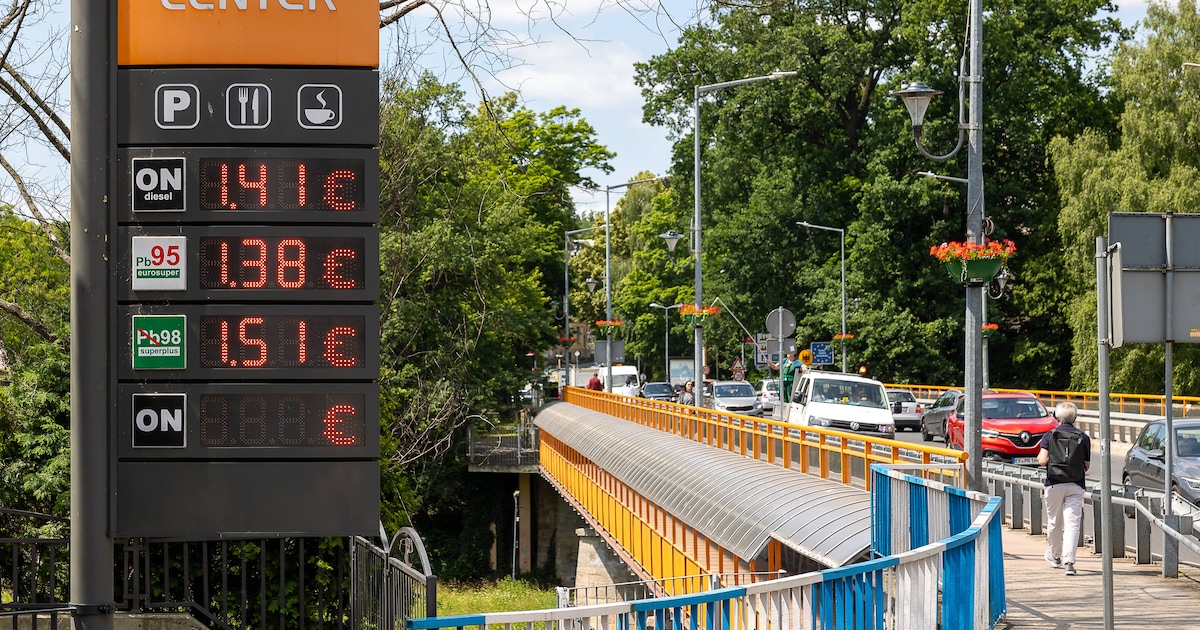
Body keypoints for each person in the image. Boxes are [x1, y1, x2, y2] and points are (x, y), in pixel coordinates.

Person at [1037, 402, 1091, 576]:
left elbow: (1042, 461)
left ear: (1057, 417)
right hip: (1076, 485)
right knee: (1072, 524)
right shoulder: (1083, 437)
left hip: (1054, 483)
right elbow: (1086, 466)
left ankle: (1055, 555)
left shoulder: (1049, 436)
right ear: (1075, 418)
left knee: (1054, 522)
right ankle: (1069, 562)